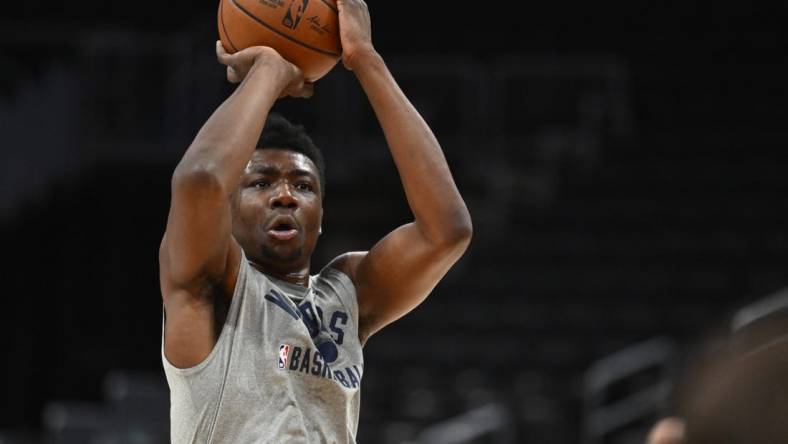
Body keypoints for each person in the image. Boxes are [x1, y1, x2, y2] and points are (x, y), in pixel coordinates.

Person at [158, 0, 473, 442]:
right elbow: (198, 182)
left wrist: (366, 59)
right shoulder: (208, 288)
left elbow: (448, 230)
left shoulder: (345, 296)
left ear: (321, 217)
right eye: (261, 183)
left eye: (303, 187)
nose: (285, 195)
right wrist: (269, 70)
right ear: (226, 213)